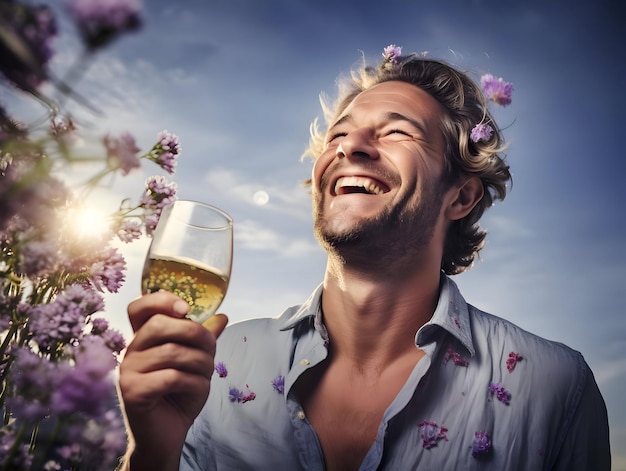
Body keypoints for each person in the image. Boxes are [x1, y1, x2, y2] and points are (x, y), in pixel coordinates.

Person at [117, 46, 611, 470]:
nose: (351, 146)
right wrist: (151, 454)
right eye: (338, 135)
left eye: (397, 132)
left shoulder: (556, 388)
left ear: (460, 197)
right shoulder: (214, 364)